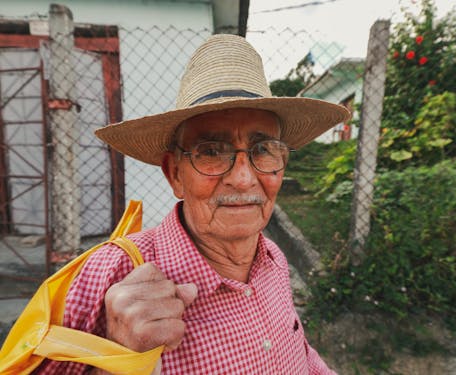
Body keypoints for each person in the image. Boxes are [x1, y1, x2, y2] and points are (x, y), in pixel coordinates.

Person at [34, 33, 350, 374]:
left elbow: (299, 352)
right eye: (212, 151)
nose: (244, 179)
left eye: (263, 150)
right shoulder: (109, 276)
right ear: (175, 174)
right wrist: (119, 360)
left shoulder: (272, 258)